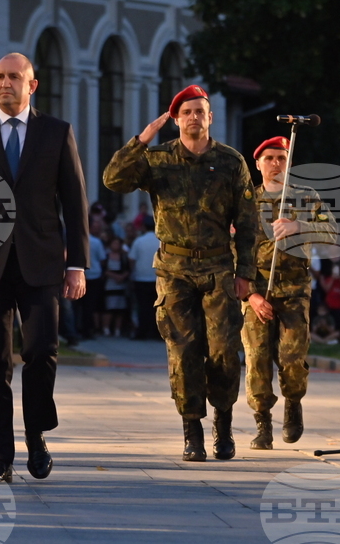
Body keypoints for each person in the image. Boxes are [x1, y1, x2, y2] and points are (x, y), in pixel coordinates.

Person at [0, 53, 89, 485]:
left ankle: (36, 434)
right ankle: (0, 457)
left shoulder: (56, 132)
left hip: (42, 263)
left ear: (32, 85)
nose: (4, 83)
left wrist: (78, 264)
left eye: (14, 77)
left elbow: (74, 201)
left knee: (41, 351)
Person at [102, 84, 258, 462]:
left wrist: (246, 273)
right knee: (183, 350)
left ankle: (223, 423)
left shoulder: (230, 161)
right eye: (186, 112)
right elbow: (113, 180)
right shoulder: (157, 159)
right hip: (174, 268)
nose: (193, 118)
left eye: (199, 111)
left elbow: (248, 221)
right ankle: (192, 431)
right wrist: (141, 139)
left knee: (223, 351)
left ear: (210, 117)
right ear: (176, 119)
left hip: (220, 267)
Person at [240, 136, 336, 450]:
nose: (275, 164)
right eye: (269, 158)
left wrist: (300, 227)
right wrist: (251, 296)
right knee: (257, 361)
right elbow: (231, 250)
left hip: (295, 290)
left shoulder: (307, 198)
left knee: (292, 358)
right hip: (257, 292)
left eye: (281, 158)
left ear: (289, 162)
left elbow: (331, 231)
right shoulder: (245, 201)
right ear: (257, 163)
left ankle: (293, 402)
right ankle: (262, 423)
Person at [129, 215, 159, 340]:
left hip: (141, 278)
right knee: (157, 307)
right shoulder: (160, 241)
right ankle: (156, 332)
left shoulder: (139, 241)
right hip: (157, 278)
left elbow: (132, 259)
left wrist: (133, 272)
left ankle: (142, 332)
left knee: (143, 307)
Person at [102, 236, 129, 337]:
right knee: (109, 308)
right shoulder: (107, 256)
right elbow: (104, 269)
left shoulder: (124, 257)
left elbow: (127, 269)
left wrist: (122, 277)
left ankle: (117, 329)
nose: (116, 246)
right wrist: (114, 276)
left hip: (121, 284)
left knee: (120, 309)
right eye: (114, 243)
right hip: (110, 284)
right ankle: (106, 328)